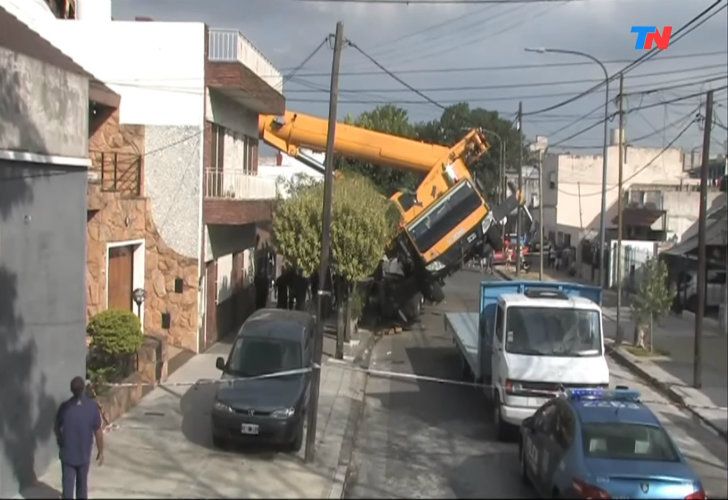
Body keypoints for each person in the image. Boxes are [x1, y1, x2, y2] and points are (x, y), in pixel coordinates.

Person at [55, 376, 104, 499]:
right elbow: (98, 431)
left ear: (71, 390)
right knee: (82, 487)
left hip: (67, 455)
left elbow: (56, 427)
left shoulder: (64, 407)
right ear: (83, 389)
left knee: (67, 488)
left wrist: (60, 441)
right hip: (83, 455)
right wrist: (101, 451)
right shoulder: (92, 407)